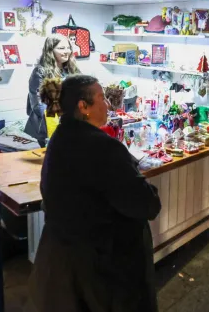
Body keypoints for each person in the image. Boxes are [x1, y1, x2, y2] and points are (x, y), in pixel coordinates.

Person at [29, 75, 162, 312]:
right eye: (102, 98)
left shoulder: (59, 138)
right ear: (84, 107)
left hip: (60, 267)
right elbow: (147, 205)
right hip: (101, 273)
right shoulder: (104, 148)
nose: (108, 104)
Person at [25, 34, 80, 147]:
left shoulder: (71, 68)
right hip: (46, 126)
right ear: (50, 50)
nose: (66, 51)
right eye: (61, 48)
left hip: (69, 123)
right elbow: (37, 104)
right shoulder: (40, 71)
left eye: (68, 47)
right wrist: (59, 117)